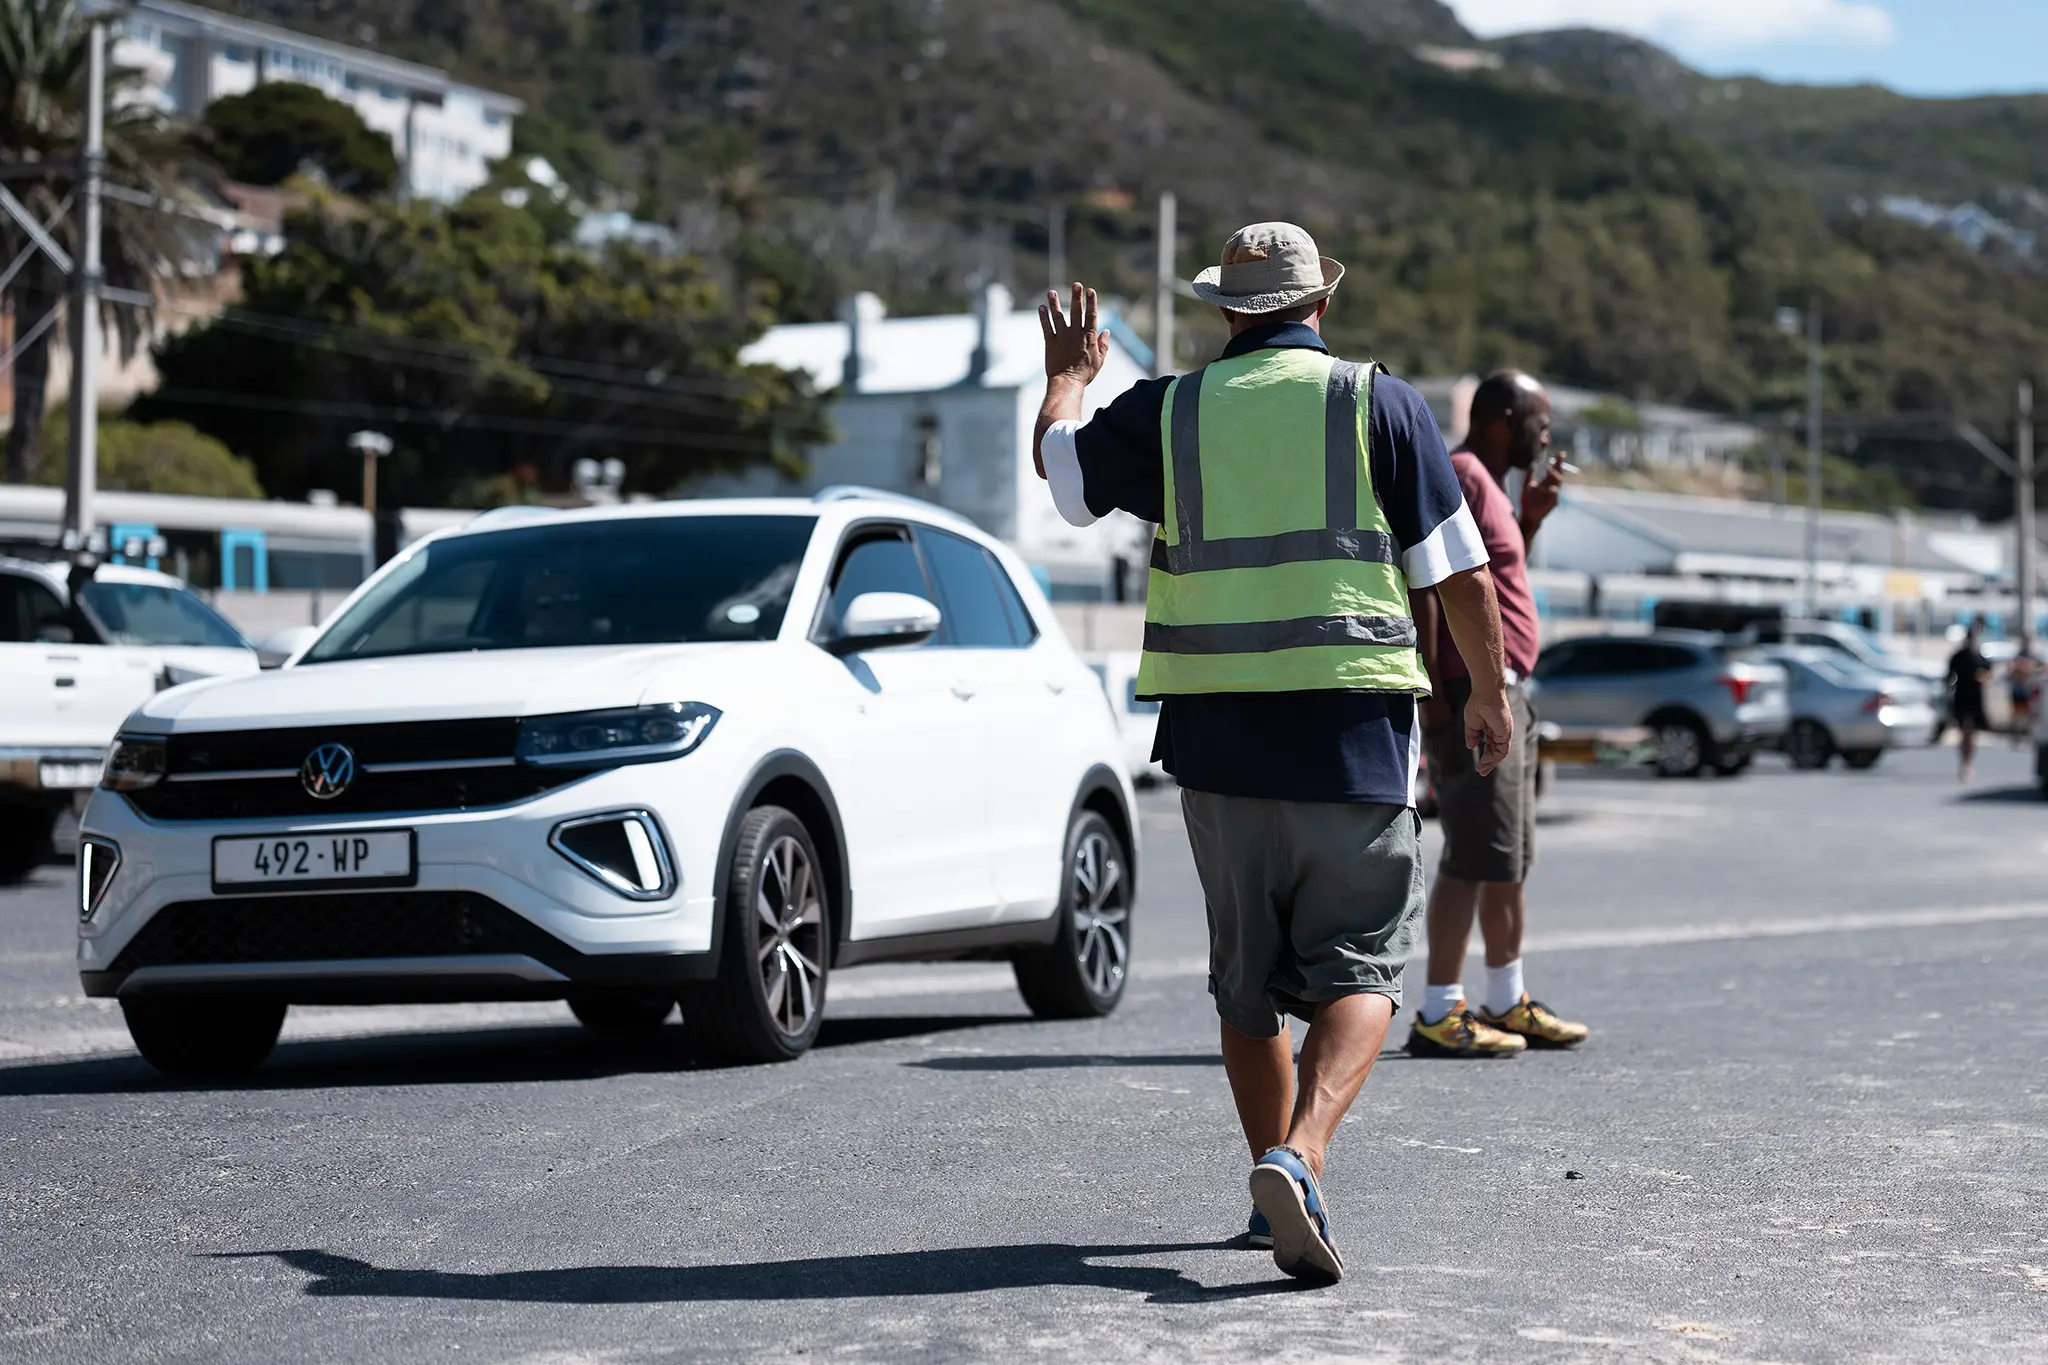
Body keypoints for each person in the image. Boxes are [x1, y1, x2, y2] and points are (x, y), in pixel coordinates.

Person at [1031, 223, 1511, 1285]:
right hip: (1349, 734)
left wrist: (1067, 381)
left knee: (1244, 987)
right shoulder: (1374, 402)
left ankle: (1271, 1188)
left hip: (1214, 741)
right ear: (1318, 306)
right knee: (1364, 964)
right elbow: (1458, 575)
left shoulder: (1169, 409)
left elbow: (1063, 483)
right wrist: (1487, 690)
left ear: (1226, 311)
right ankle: (1299, 1157)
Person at [1406, 372, 1590, 1059]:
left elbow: (1502, 579)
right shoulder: (1459, 472)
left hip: (1508, 689)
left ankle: (1506, 997)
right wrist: (1434, 686)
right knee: (1472, 853)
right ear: (1503, 419)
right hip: (1476, 693)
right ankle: (1439, 1007)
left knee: (1507, 855)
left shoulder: (1492, 486)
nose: (1548, 436)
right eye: (1540, 422)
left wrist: (1531, 519)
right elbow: (1425, 575)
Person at [1947, 620, 1991, 781]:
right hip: (1962, 697)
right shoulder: (1959, 656)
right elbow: (1949, 676)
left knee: (1971, 733)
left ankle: (1967, 762)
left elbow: (1988, 674)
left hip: (1975, 698)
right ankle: (1965, 762)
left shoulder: (1981, 658)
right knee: (1965, 731)